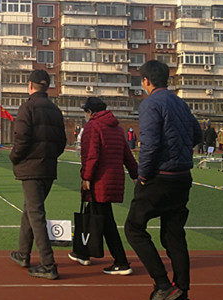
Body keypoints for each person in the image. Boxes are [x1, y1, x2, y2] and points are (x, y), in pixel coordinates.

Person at [124, 60, 202, 300]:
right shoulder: (180, 103)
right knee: (174, 235)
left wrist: (143, 175)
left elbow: (150, 144)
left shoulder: (150, 104)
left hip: (160, 177)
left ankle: (163, 285)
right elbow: (198, 135)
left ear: (146, 81)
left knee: (134, 228)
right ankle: (182, 295)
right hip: (182, 177)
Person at [68, 96, 138, 274]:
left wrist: (86, 177)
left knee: (105, 220)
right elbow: (127, 154)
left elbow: (91, 155)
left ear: (90, 112)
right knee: (92, 213)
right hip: (114, 179)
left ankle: (121, 261)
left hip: (99, 180)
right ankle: (82, 252)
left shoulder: (93, 126)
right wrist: (135, 174)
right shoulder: (117, 128)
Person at [9, 69, 67, 280]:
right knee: (31, 210)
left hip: (31, 168)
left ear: (30, 85)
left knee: (36, 214)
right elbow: (62, 141)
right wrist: (49, 156)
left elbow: (21, 138)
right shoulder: (55, 110)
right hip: (48, 168)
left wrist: (14, 157)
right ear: (48, 87)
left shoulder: (27, 108)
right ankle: (23, 254)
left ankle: (48, 264)